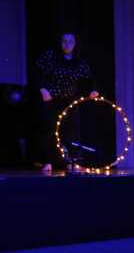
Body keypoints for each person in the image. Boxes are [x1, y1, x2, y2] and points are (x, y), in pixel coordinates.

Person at [34, 32, 99, 172]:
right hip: (51, 99)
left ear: (75, 44)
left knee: (71, 132)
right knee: (50, 130)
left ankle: (70, 162)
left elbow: (89, 79)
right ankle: (47, 161)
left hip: (70, 100)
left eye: (70, 41)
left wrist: (92, 91)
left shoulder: (79, 62)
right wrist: (43, 89)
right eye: (64, 41)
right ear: (60, 42)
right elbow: (37, 71)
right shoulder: (51, 56)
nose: (67, 44)